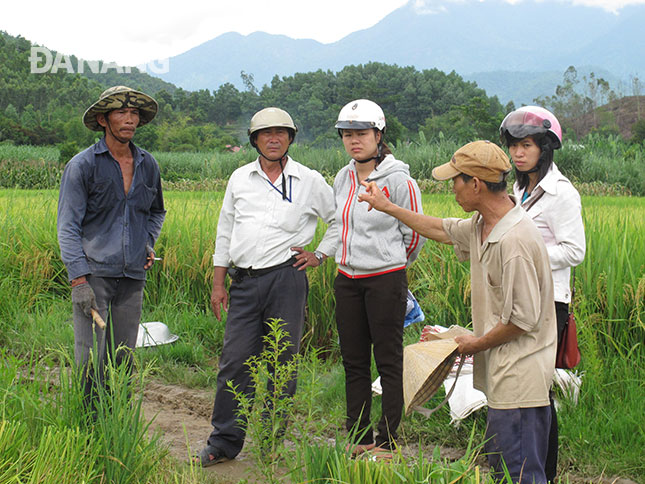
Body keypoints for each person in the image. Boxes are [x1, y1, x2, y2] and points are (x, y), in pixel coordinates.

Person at [359, 140, 556, 484]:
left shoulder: (515, 242)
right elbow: (439, 229)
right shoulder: (484, 225)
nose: (452, 189)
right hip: (502, 376)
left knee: (520, 475)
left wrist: (469, 344)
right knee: (506, 471)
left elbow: (522, 321)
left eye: (455, 181)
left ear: (476, 184)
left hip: (519, 382)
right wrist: (387, 206)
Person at [196, 107, 338, 467]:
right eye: (265, 133)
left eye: (281, 132)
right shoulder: (240, 178)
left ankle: (270, 441)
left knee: (282, 362)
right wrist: (218, 282)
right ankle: (223, 442)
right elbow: (225, 230)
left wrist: (320, 254)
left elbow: (338, 221)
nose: (273, 139)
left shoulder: (309, 180)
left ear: (291, 138)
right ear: (254, 140)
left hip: (286, 280)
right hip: (243, 283)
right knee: (234, 363)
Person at [57, 85, 165, 405]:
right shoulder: (83, 165)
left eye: (134, 114)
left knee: (121, 357)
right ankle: (88, 429)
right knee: (90, 357)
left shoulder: (148, 165)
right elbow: (68, 226)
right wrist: (78, 279)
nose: (129, 120)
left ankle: (115, 422)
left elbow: (156, 211)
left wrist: (146, 242)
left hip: (132, 277)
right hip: (94, 277)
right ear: (104, 120)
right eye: (121, 113)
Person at [332, 99, 425, 456]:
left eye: (362, 133)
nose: (355, 141)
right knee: (353, 361)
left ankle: (387, 440)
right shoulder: (342, 177)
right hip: (346, 279)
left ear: (378, 134)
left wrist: (393, 262)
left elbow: (413, 232)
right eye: (348, 134)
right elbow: (338, 223)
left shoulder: (399, 179)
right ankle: (359, 438)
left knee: (388, 359)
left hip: (386, 278)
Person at [500, 106, 586, 483]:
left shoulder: (561, 194)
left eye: (528, 146)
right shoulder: (518, 190)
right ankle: (528, 467)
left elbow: (574, 250)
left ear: (546, 148)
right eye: (515, 146)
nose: (519, 153)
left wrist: (525, 255)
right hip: (520, 298)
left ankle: (544, 472)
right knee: (527, 389)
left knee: (540, 391)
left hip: (551, 303)